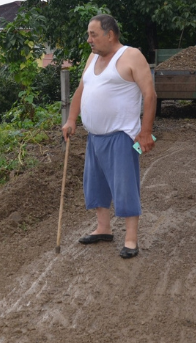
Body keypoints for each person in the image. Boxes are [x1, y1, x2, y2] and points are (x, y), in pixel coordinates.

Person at [61, 14, 156, 259]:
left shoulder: (131, 56)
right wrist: (71, 119)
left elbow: (150, 95)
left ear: (110, 34)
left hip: (123, 137)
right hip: (95, 136)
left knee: (125, 186)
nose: (89, 39)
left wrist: (145, 133)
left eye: (93, 34)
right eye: (88, 34)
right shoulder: (92, 58)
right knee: (96, 184)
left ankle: (131, 239)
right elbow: (81, 90)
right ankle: (103, 228)